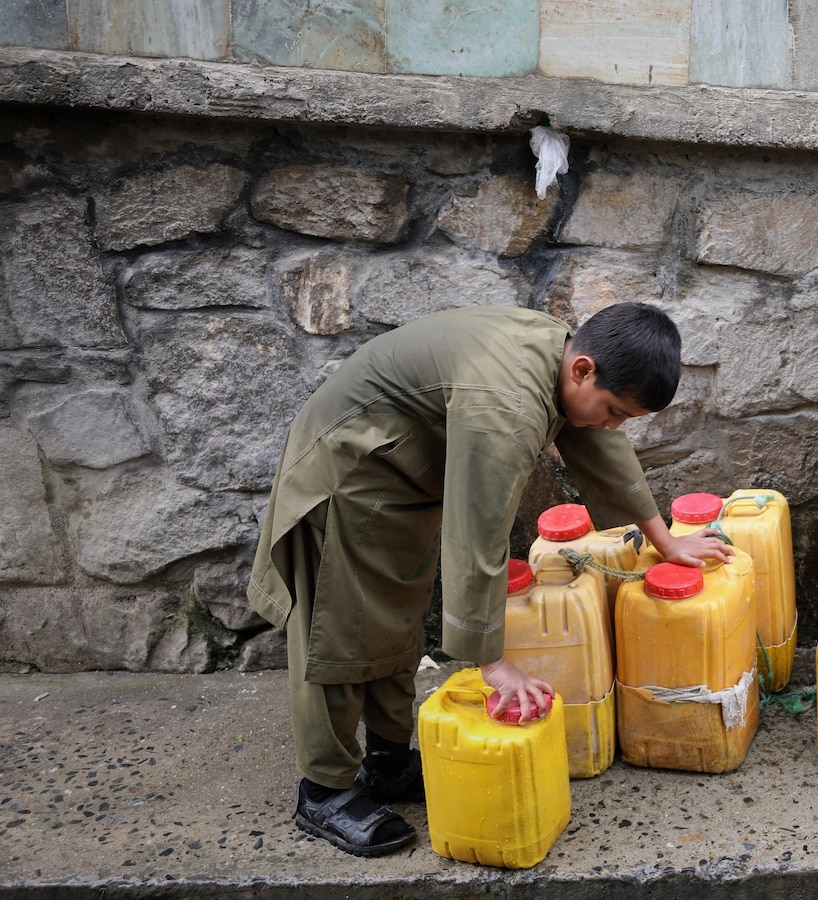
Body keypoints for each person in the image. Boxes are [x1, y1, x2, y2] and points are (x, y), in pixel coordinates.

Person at [246, 302, 731, 856]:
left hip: (399, 480)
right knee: (337, 633)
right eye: (614, 409)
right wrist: (493, 662)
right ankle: (325, 791)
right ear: (583, 370)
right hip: (347, 473)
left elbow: (600, 444)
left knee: (395, 621)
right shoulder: (508, 404)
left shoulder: (562, 356)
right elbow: (478, 534)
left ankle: (386, 765)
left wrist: (663, 538)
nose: (613, 423)